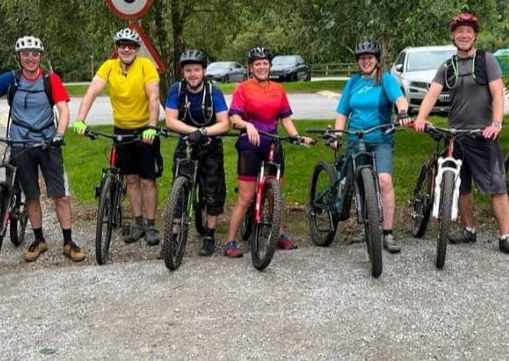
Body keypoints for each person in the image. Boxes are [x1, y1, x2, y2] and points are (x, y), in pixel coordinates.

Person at [0, 36, 84, 262]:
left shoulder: (49, 79)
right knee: (31, 195)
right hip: (19, 143)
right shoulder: (10, 79)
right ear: (19, 57)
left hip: (47, 143)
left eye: (35, 53)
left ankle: (68, 241)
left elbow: (63, 110)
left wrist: (60, 134)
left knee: (60, 196)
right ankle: (39, 239)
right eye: (26, 54)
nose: (30, 58)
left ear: (40, 57)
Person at [413, 12, 509, 256]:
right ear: (453, 36)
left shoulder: (487, 61)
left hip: (483, 133)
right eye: (459, 31)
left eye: (468, 31)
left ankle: (505, 236)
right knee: (461, 187)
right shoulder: (448, 66)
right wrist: (421, 118)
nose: (464, 35)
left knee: (497, 186)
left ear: (475, 35)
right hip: (456, 135)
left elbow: (497, 93)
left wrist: (496, 123)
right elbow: (432, 94)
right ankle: (469, 229)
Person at [73, 28, 164, 246]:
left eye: (130, 46)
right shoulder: (109, 66)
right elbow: (92, 92)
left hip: (145, 131)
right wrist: (80, 119)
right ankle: (139, 223)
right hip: (121, 131)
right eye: (122, 45)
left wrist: (152, 126)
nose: (126, 49)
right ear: (117, 48)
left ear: (136, 49)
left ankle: (151, 225)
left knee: (147, 180)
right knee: (131, 180)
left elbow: (153, 97)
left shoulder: (146, 66)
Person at [222, 46, 313, 258]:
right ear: (250, 67)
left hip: (272, 143)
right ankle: (230, 241)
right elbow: (233, 118)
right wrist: (247, 125)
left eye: (265, 63)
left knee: (275, 195)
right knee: (246, 197)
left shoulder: (278, 89)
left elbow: (285, 118)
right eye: (257, 63)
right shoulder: (243, 88)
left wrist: (297, 136)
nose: (262, 67)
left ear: (270, 66)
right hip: (250, 145)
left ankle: (278, 234)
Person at [329, 39, 411, 254]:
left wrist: (402, 112)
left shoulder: (385, 80)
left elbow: (400, 99)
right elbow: (342, 112)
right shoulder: (353, 82)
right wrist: (338, 134)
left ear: (377, 60)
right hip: (356, 139)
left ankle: (388, 232)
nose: (366, 62)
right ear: (358, 62)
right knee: (359, 185)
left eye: (370, 58)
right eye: (362, 59)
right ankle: (366, 226)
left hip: (381, 139)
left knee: (384, 181)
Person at [163, 49, 231, 256]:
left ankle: (209, 233)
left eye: (196, 70)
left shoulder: (213, 91)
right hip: (187, 142)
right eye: (188, 70)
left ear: (204, 71)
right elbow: (170, 120)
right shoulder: (177, 90)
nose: (192, 74)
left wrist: (202, 132)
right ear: (183, 72)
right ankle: (172, 237)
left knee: (212, 189)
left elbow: (224, 124)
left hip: (210, 144)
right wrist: (192, 133)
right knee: (180, 189)